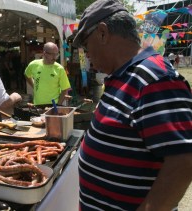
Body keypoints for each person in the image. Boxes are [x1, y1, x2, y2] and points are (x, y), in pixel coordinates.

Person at [72, 0, 192, 210]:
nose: (86, 54)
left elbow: (184, 161)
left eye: (85, 44)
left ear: (102, 33)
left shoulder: (154, 79)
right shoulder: (123, 75)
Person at [24, 42, 71, 106]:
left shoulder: (60, 69)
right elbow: (26, 74)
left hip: (54, 105)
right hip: (37, 104)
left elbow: (65, 89)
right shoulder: (34, 64)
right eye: (52, 54)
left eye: (57, 54)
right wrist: (33, 85)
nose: (55, 57)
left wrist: (58, 105)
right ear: (44, 53)